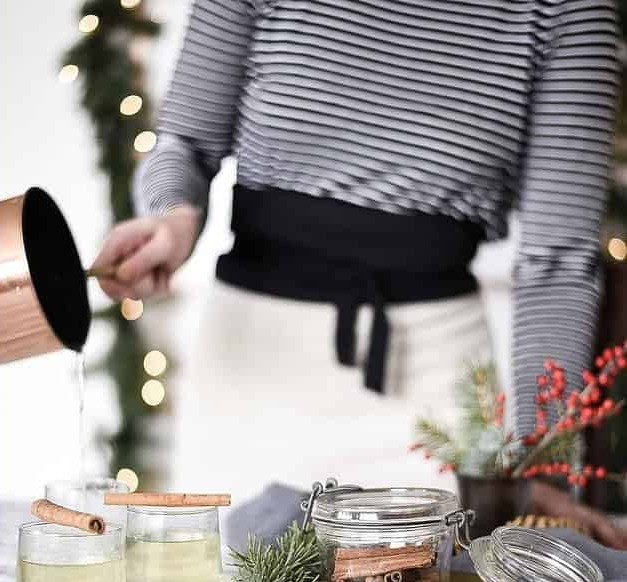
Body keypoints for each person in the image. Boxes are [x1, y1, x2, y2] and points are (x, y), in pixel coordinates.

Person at [94, 0, 626, 546]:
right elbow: (186, 144)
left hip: (438, 400)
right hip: (250, 375)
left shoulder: (568, 9)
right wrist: (173, 218)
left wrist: (541, 461)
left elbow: (558, 260)